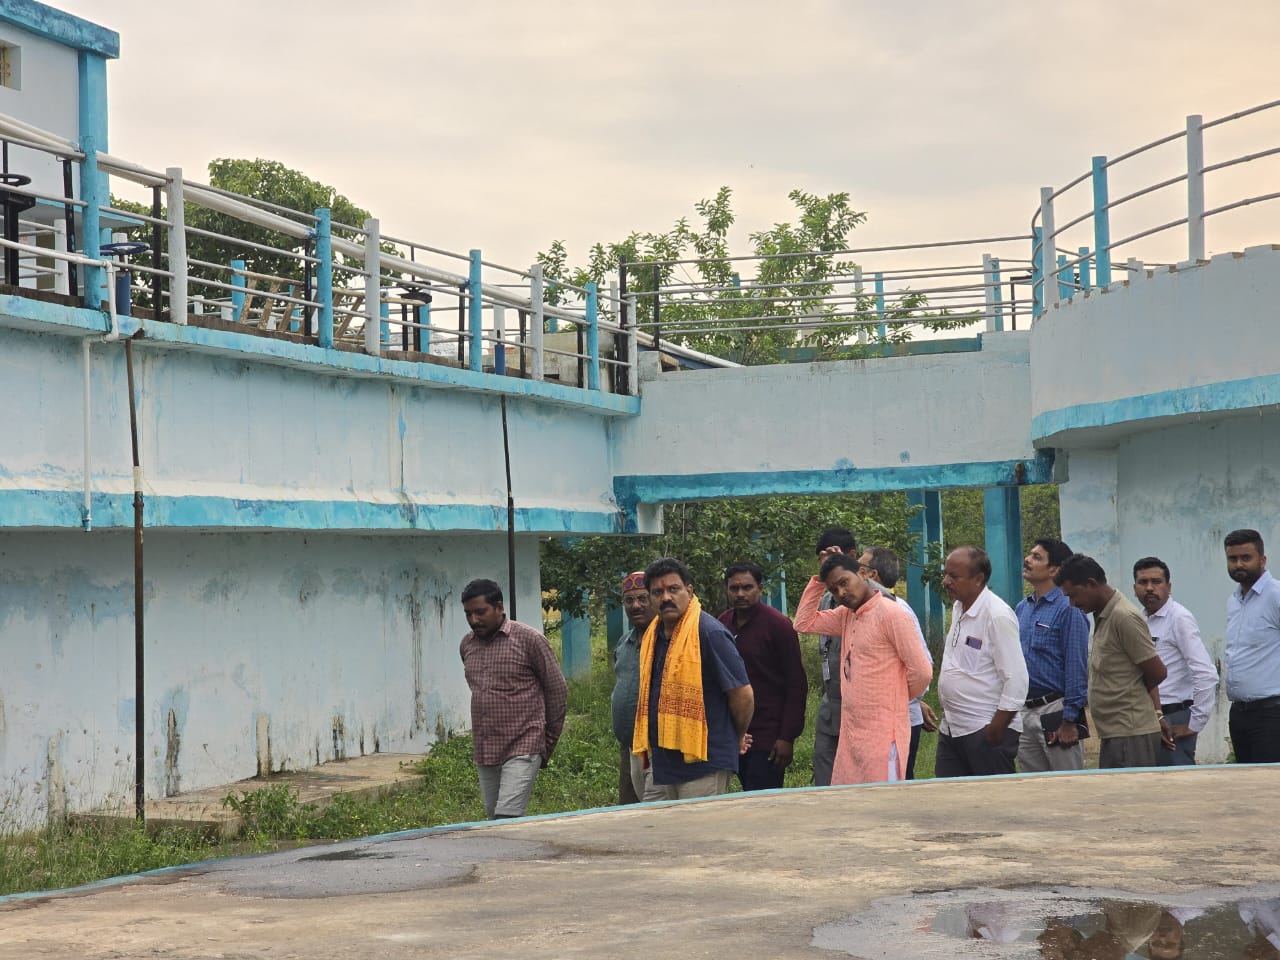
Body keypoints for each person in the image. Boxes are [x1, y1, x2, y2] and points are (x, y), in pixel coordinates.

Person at [794, 552, 932, 784]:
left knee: (880, 801)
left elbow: (922, 671)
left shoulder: (892, 613)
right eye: (834, 589)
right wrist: (819, 580)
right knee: (851, 800)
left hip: (883, 735)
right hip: (851, 732)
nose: (841, 593)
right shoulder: (847, 615)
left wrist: (895, 698)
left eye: (844, 582)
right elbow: (803, 623)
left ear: (863, 573)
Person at [632, 557, 754, 799]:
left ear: (689, 591)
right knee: (655, 823)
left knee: (697, 825)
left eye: (673, 589)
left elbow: (743, 695)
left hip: (704, 762)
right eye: (657, 592)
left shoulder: (709, 632)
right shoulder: (653, 636)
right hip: (663, 761)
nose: (666, 597)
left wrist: (737, 736)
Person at [458, 578, 568, 819]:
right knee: (493, 818)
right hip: (486, 749)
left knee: (506, 816)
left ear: (499, 607)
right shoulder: (467, 645)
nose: (473, 620)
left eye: (480, 612)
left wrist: (547, 741)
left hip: (524, 745)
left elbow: (557, 690)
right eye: (468, 614)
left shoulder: (530, 640)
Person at [1055, 554, 1169, 769]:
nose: (1072, 603)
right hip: (1116, 733)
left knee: (1131, 791)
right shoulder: (1103, 614)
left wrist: (1130, 694)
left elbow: (1157, 672)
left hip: (1130, 732)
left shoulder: (1123, 616)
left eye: (1073, 595)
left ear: (1091, 584)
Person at [935, 546, 1028, 778]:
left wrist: (995, 730)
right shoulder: (958, 607)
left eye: (954, 576)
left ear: (978, 579)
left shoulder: (997, 615)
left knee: (993, 798)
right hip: (952, 728)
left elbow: (1017, 679)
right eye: (945, 574)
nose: (946, 581)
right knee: (948, 795)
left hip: (983, 730)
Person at [719, 562, 807, 791]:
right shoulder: (722, 624)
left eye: (747, 587)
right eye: (734, 588)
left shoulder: (778, 626)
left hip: (768, 734)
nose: (740, 594)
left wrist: (786, 737)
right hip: (732, 732)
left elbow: (796, 683)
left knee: (764, 800)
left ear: (760, 588)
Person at [856, 545, 937, 779]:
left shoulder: (896, 611)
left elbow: (923, 668)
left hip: (897, 722)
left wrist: (900, 698)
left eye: (859, 567)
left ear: (871, 575)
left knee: (896, 788)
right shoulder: (866, 609)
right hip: (877, 721)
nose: (854, 572)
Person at [1133, 556, 1219, 765]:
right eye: (1143, 582)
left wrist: (1194, 724)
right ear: (1134, 588)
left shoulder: (1179, 618)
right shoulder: (1139, 620)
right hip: (1147, 718)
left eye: (1156, 582)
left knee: (1175, 781)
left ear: (1169, 587)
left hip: (1173, 715)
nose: (1149, 588)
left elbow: (1206, 674)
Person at [1015, 537, 1090, 773]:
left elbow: (1076, 667)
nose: (1027, 560)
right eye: (1030, 554)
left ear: (1054, 570)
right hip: (1024, 711)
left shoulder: (1069, 609)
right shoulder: (1022, 608)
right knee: (1034, 787)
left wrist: (1070, 719)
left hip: (1055, 711)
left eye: (1036, 557)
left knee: (1066, 785)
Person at [1223, 529, 1280, 764]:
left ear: (1262, 560)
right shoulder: (1234, 601)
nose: (1239, 564)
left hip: (1271, 714)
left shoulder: (1275, 595)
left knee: (1269, 782)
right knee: (1245, 781)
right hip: (1239, 713)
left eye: (1246, 558)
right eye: (1233, 558)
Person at [611, 571, 664, 802]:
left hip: (658, 748)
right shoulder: (624, 642)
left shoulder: (668, 640)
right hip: (630, 747)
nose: (635, 606)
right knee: (628, 809)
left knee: (654, 810)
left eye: (643, 598)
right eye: (629, 600)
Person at [811, 526, 856, 786]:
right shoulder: (826, 601)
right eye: (822, 560)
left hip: (859, 714)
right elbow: (803, 622)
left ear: (851, 556)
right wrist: (821, 579)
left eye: (831, 558)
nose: (825, 565)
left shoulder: (873, 600)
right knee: (825, 785)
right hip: (831, 711)